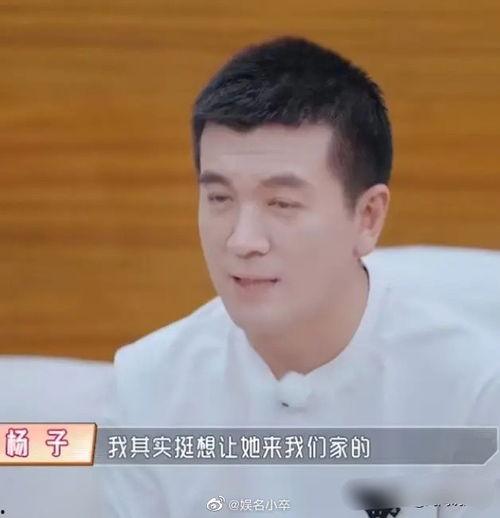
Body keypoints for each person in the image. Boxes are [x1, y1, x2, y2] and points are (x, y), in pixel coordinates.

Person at [98, 36, 500, 517]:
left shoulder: (473, 387)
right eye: (220, 199)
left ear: (368, 217)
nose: (243, 240)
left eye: (282, 204)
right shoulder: (147, 385)